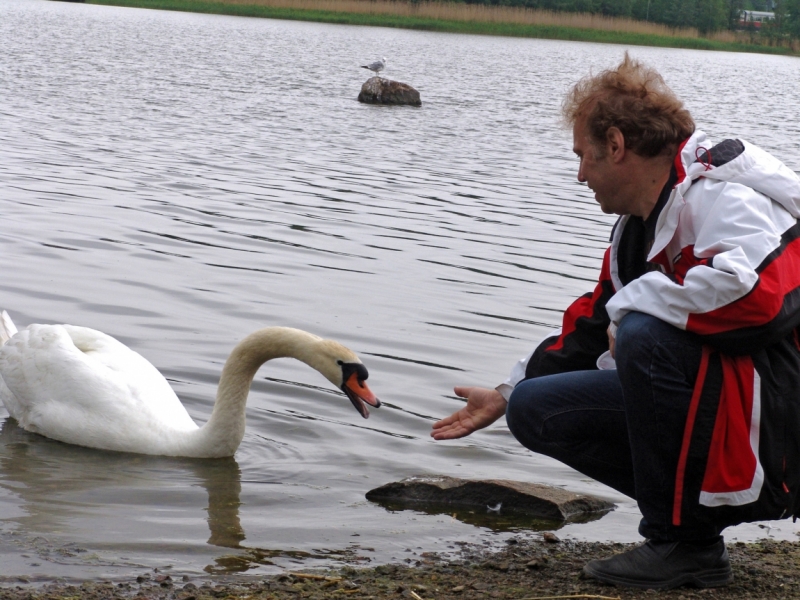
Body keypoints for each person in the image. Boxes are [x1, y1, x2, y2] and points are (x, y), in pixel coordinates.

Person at [431, 53, 800, 590]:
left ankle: (676, 541)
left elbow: (756, 300)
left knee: (644, 334)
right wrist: (506, 392)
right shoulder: (638, 228)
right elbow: (593, 321)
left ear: (616, 145)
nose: (580, 175)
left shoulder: (728, 196)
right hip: (740, 411)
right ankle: (694, 541)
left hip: (784, 427)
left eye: (583, 156)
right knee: (535, 409)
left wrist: (632, 310)